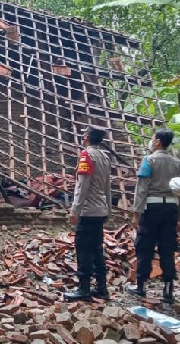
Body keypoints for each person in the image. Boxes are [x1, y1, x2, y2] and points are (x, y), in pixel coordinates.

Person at [127, 128, 180, 303]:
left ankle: (140, 286)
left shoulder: (148, 161)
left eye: (153, 139)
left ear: (158, 141)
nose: (151, 142)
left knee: (145, 247)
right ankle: (168, 290)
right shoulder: (177, 164)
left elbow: (141, 189)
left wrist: (136, 214)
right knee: (167, 249)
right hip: (171, 210)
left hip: (152, 208)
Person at [64, 125, 112, 302]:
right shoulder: (105, 157)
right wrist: (108, 208)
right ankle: (101, 288)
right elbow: (108, 185)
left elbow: (82, 186)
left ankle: (83, 288)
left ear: (86, 137)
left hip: (88, 211)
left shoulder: (87, 155)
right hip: (100, 210)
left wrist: (75, 209)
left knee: (83, 249)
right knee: (97, 249)